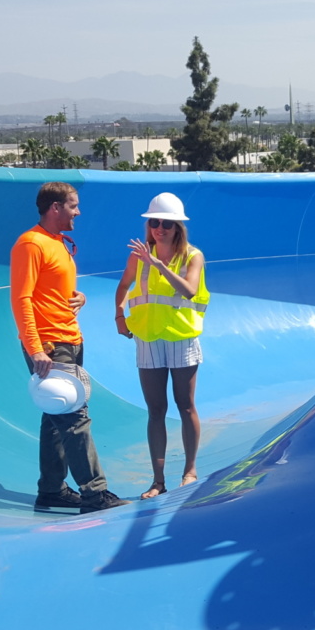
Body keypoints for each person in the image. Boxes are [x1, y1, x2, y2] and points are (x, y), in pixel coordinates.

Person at [11, 181, 129, 514]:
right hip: (49, 344)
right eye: (73, 205)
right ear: (55, 208)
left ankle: (51, 490)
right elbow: (21, 299)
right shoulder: (30, 244)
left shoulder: (58, 242)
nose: (78, 211)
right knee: (74, 418)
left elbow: (52, 290)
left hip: (70, 339)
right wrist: (35, 349)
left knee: (55, 418)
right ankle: (94, 493)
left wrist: (80, 297)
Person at [114, 192, 208, 499]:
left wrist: (157, 265)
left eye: (166, 223)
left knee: (185, 406)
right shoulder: (137, 256)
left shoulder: (192, 256)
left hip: (181, 338)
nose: (160, 228)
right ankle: (157, 481)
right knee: (156, 410)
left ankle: (189, 471)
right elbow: (124, 284)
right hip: (149, 338)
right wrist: (119, 315)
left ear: (178, 226)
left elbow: (190, 290)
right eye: (155, 222)